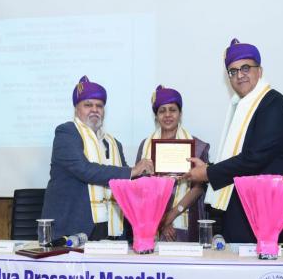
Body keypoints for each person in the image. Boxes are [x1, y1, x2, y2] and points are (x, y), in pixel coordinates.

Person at [183, 38, 283, 243]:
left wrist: (208, 172)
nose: (239, 75)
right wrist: (208, 167)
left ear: (259, 71)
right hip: (243, 209)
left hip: (267, 211)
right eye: (233, 71)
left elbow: (255, 158)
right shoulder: (240, 107)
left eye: (245, 68)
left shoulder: (273, 102)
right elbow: (240, 156)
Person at [41, 75, 153, 240]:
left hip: (110, 227)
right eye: (88, 105)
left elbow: (126, 181)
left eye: (99, 106)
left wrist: (151, 176)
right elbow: (84, 169)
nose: (94, 109)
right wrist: (133, 171)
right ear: (76, 109)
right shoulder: (67, 133)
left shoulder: (113, 143)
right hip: (74, 228)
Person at [136, 85, 210, 242]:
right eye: (162, 111)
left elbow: (199, 187)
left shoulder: (198, 146)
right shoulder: (145, 146)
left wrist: (170, 215)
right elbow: (138, 186)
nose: (167, 115)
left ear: (180, 113)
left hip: (185, 219)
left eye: (173, 110)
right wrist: (160, 220)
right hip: (151, 221)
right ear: (156, 116)